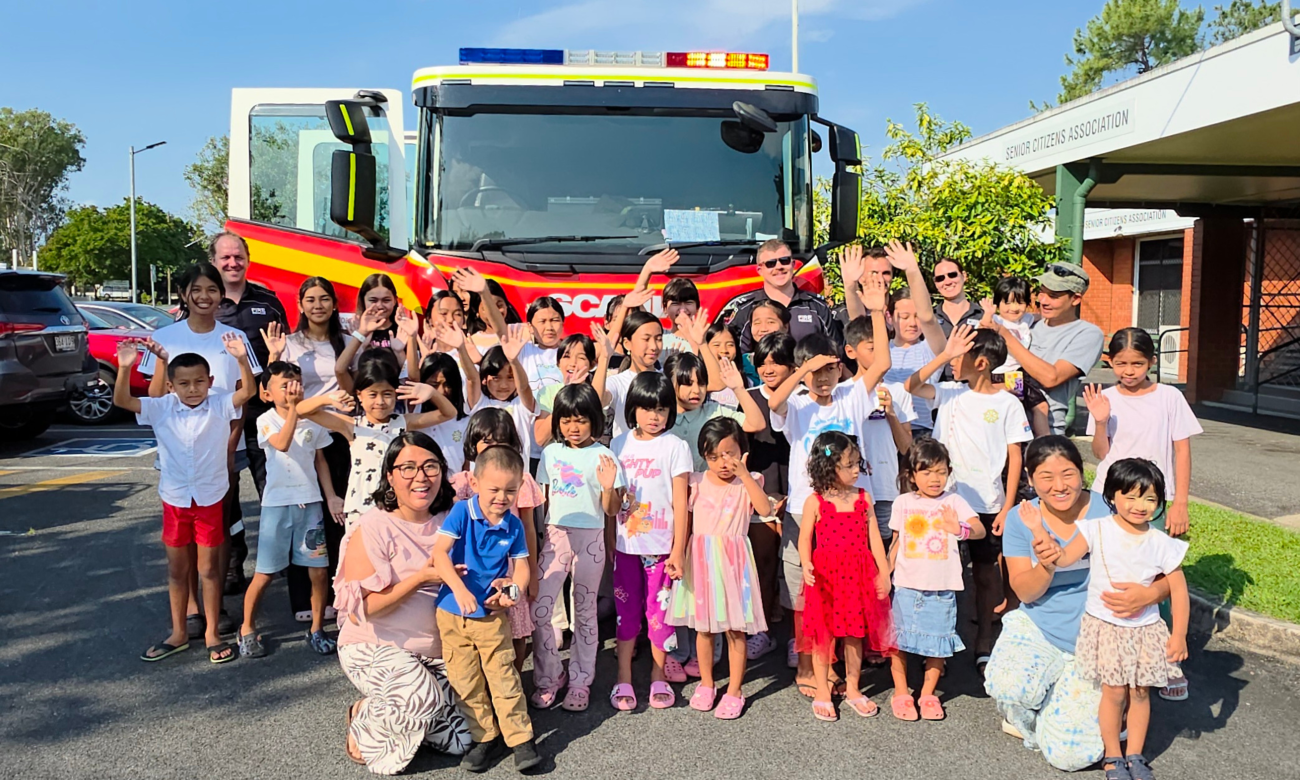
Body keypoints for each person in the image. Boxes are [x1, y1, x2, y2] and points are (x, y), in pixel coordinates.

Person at [986, 436, 1171, 772]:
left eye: (1068, 474)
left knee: (1071, 755)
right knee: (1007, 684)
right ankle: (1049, 704)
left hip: (1099, 643)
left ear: (1082, 473)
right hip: (1040, 628)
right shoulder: (1020, 518)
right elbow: (1025, 592)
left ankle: (1061, 711)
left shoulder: (1112, 508)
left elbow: (1165, 574)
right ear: (1030, 480)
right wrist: (1046, 565)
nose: (1060, 486)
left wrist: (1147, 595)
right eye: (1046, 477)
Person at [1020, 459, 1189, 780]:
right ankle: (1113, 756)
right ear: (1112, 496)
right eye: (1131, 496)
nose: (1140, 506)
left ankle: (1135, 755)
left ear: (1159, 503)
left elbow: (1179, 591)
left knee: (1140, 692)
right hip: (1106, 629)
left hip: (1145, 631)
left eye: (1150, 499)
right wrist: (1038, 531)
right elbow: (1064, 557)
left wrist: (1178, 635)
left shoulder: (1161, 543)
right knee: (1114, 693)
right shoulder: (1097, 529)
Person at [769, 274, 889, 694]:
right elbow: (773, 402)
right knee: (807, 588)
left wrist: (875, 310)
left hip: (851, 510)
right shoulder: (797, 405)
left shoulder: (852, 395)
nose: (823, 379)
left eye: (830, 369)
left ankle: (837, 665)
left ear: (841, 366)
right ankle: (808, 664)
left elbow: (883, 364)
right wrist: (804, 368)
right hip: (807, 510)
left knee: (846, 590)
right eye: (815, 373)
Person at [114, 335, 257, 665]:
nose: (192, 389)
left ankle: (211, 633)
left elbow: (247, 392)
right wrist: (125, 368)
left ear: (210, 381)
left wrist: (241, 360)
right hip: (176, 499)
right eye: (184, 383)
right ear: (171, 385)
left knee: (209, 569)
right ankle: (179, 632)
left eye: (198, 382)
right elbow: (123, 401)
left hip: (210, 497)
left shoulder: (220, 403)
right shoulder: (161, 407)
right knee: (177, 571)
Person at [137, 262, 262, 638]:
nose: (205, 296)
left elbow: (242, 396)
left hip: (227, 447)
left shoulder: (232, 337)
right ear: (184, 295)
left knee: (216, 532)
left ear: (221, 294)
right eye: (197, 289)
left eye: (212, 289)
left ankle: (215, 605)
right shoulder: (167, 336)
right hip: (181, 453)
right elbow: (156, 397)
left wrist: (228, 446)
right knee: (183, 538)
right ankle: (190, 607)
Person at [335, 433, 471, 773]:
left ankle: (410, 712)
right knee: (419, 694)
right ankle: (365, 720)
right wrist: (420, 579)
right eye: (408, 468)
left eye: (430, 466)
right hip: (374, 644)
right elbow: (365, 609)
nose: (421, 477)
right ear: (390, 477)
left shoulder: (453, 519)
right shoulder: (372, 527)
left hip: (437, 651)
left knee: (463, 740)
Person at [1084, 327, 1203, 702]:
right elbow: (1101, 454)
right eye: (1121, 364)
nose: (1129, 371)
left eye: (1137, 363)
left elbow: (1181, 451)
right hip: (1109, 497)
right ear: (1111, 363)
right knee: (1108, 575)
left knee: (1155, 577)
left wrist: (1180, 500)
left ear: (1151, 362)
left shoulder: (1169, 397)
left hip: (1151, 500)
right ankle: (1108, 658)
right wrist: (1100, 420)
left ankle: (1165, 659)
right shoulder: (1106, 397)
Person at [905, 323, 1032, 669]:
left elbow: (1015, 456)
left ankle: (985, 639)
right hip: (938, 501)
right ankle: (933, 645)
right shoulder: (948, 392)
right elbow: (911, 385)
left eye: (960, 355)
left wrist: (1007, 507)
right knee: (935, 569)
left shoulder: (1008, 404)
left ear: (981, 363)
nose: (952, 363)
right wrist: (945, 353)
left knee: (985, 573)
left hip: (987, 504)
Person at [432, 445, 541, 773]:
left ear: (520, 487)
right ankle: (485, 736)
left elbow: (521, 567)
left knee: (504, 676)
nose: (501, 497)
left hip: (492, 616)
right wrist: (459, 589)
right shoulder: (462, 512)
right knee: (465, 680)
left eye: (510, 490)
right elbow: (439, 554)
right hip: (453, 613)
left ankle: (521, 739)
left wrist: (513, 591)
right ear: (475, 484)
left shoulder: (514, 526)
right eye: (494, 489)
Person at [668, 417, 773, 720]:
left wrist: (746, 476)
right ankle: (706, 683)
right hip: (701, 560)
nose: (722, 462)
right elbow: (683, 520)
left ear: (742, 450)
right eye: (714, 456)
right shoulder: (697, 481)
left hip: (734, 561)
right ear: (704, 456)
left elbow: (765, 510)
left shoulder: (749, 480)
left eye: (729, 453)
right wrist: (678, 553)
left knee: (735, 630)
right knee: (703, 628)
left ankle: (735, 690)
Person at [238, 363, 340, 659]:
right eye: (285, 385)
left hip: (310, 505)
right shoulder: (266, 420)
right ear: (267, 393)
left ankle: (317, 628)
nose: (292, 390)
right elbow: (281, 444)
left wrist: (331, 496)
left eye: (296, 384)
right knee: (265, 573)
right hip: (277, 506)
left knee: (319, 572)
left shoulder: (313, 421)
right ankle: (246, 628)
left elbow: (320, 460)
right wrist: (296, 410)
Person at [532, 384, 624, 711]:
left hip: (591, 539)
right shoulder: (551, 454)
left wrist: (610, 486)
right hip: (556, 535)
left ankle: (581, 680)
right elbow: (541, 501)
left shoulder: (605, 455)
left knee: (584, 614)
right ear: (558, 421)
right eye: (567, 420)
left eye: (581, 420)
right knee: (540, 609)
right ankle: (549, 676)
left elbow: (612, 510)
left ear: (594, 421)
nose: (574, 427)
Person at [209, 232, 289, 594]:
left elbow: (283, 360)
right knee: (225, 495)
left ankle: (279, 557)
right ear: (214, 262)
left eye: (238, 256)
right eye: (225, 257)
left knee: (272, 486)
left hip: (261, 411)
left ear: (247, 259)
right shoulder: (204, 302)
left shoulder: (269, 303)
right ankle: (232, 564)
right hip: (217, 414)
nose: (232, 263)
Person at [797, 432, 894, 722]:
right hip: (825, 576)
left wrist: (884, 570)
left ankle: (853, 687)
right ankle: (823, 691)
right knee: (823, 635)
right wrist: (805, 564)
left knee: (855, 633)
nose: (856, 470)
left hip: (858, 575)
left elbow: (874, 537)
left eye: (857, 464)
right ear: (829, 468)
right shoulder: (815, 501)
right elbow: (805, 539)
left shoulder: (863, 498)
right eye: (849, 465)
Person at [609, 372, 692, 710]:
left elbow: (681, 504)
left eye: (661, 409)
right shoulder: (618, 444)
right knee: (626, 615)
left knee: (659, 617)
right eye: (646, 408)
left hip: (661, 549)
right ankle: (623, 677)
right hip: (626, 548)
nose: (654, 416)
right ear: (633, 409)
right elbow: (611, 502)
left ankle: (659, 675)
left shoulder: (676, 446)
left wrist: (678, 550)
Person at [296, 357, 457, 527]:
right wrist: (327, 399)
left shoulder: (404, 422)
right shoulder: (352, 425)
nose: (380, 402)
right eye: (372, 394)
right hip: (361, 507)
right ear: (359, 395)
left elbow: (449, 413)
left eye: (387, 394)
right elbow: (302, 410)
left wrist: (431, 393)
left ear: (395, 394)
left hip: (397, 505)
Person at [887, 438, 983, 722]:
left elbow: (978, 529)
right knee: (899, 641)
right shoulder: (902, 502)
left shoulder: (953, 501)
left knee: (938, 643)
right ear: (912, 475)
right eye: (926, 472)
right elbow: (895, 543)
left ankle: (928, 693)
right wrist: (883, 575)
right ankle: (901, 691)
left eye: (940, 472)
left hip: (942, 589)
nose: (934, 479)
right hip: (906, 584)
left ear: (949, 472)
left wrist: (960, 529)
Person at [272, 276, 351, 622]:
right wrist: (275, 356)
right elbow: (279, 394)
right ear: (300, 305)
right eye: (310, 299)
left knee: (338, 518)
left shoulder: (347, 341)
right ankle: (302, 599)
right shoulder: (288, 344)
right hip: (302, 439)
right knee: (301, 517)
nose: (317, 305)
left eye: (324, 299)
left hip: (341, 437)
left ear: (334, 304)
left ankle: (339, 595)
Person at [987, 262, 1104, 436]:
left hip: (1045, 431)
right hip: (1001, 424)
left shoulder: (1087, 334)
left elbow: (1051, 377)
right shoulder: (1028, 324)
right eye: (1041, 292)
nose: (1043, 301)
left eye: (1053, 296)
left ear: (1076, 299)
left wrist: (1006, 336)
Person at [743, 332, 796, 659]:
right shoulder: (748, 396)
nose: (768, 368)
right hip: (759, 492)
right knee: (762, 564)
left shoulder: (804, 395)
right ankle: (761, 632)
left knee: (794, 567)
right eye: (762, 362)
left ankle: (796, 636)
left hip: (798, 491)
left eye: (777, 361)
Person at [843, 313, 917, 545]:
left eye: (884, 348)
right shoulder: (841, 392)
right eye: (872, 348)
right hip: (849, 489)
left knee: (885, 557)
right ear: (850, 351)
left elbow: (907, 448)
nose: (880, 355)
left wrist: (892, 414)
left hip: (886, 488)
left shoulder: (899, 391)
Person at [729, 238, 843, 355]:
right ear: (760, 270)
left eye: (784, 260)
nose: (779, 267)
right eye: (770, 263)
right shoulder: (746, 309)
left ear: (793, 264)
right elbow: (736, 358)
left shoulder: (817, 307)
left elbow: (836, 353)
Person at [662, 350, 766, 471]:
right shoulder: (660, 416)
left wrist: (739, 389)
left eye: (701, 383)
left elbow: (756, 424)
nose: (696, 390)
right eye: (688, 384)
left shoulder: (714, 411)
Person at [981, 276, 1050, 435]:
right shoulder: (997, 320)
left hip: (1018, 375)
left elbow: (1040, 316)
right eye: (1007, 302)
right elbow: (983, 327)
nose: (1013, 308)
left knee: (1041, 406)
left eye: (1019, 302)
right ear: (998, 304)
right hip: (1000, 375)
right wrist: (988, 314)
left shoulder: (1026, 320)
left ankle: (1045, 444)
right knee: (1011, 409)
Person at [462, 326, 538, 459]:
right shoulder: (480, 403)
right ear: (485, 379)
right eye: (496, 378)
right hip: (481, 478)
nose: (503, 385)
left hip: (515, 478)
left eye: (510, 378)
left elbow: (524, 387)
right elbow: (472, 379)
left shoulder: (521, 405)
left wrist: (514, 361)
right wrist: (460, 349)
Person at [334, 273, 420, 388]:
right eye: (373, 300)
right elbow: (346, 374)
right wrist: (361, 345)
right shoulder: (354, 331)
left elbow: (413, 379)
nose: (380, 306)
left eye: (386, 300)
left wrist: (401, 352)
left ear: (395, 301)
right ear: (363, 300)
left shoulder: (403, 331)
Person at [593, 306, 663, 440]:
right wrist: (604, 358)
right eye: (646, 339)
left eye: (658, 339)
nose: (654, 346)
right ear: (627, 344)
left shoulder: (667, 378)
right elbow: (597, 401)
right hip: (626, 458)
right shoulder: (618, 382)